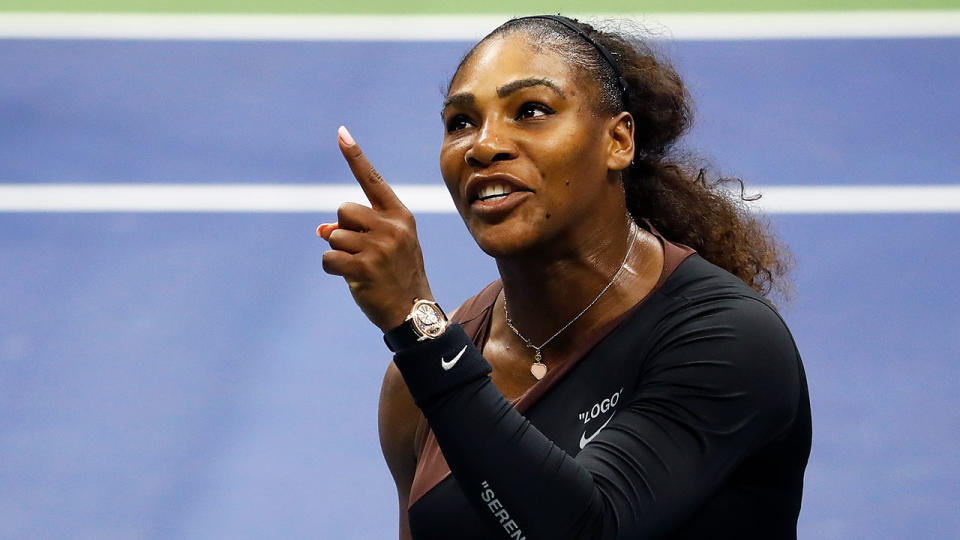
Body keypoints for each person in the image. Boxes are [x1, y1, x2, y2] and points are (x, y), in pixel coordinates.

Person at [318, 15, 811, 540]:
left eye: (530, 110)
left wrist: (421, 334)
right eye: (461, 122)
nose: (483, 146)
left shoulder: (731, 342)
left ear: (618, 140)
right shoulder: (413, 389)